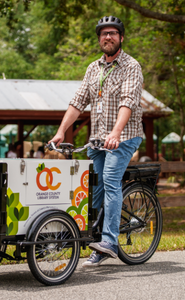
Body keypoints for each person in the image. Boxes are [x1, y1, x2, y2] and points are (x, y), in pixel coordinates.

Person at [49, 16, 143, 267]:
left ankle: (110, 241)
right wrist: (61, 132)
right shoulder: (93, 68)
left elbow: (128, 103)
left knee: (111, 180)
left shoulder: (131, 66)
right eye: (103, 34)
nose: (108, 37)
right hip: (98, 140)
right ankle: (96, 241)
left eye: (113, 33)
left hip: (124, 137)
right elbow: (78, 101)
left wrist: (116, 133)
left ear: (121, 38)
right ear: (99, 39)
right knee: (94, 187)